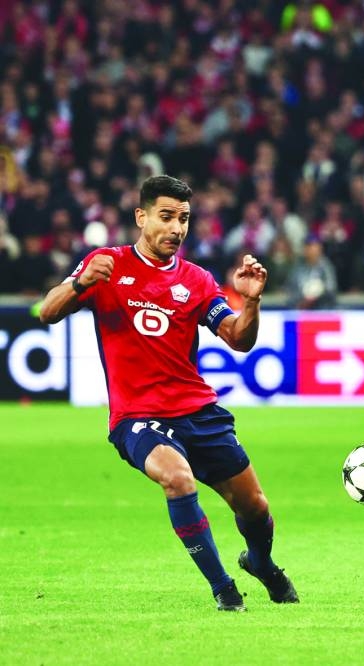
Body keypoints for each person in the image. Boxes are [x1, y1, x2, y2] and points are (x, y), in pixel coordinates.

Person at [38, 175, 298, 612]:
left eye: (184, 219)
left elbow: (238, 338)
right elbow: (47, 311)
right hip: (136, 416)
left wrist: (250, 303)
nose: (176, 228)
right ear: (141, 217)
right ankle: (224, 589)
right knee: (176, 479)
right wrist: (81, 283)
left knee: (254, 506)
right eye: (166, 217)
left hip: (197, 410)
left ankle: (262, 564)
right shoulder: (107, 264)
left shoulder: (196, 280)